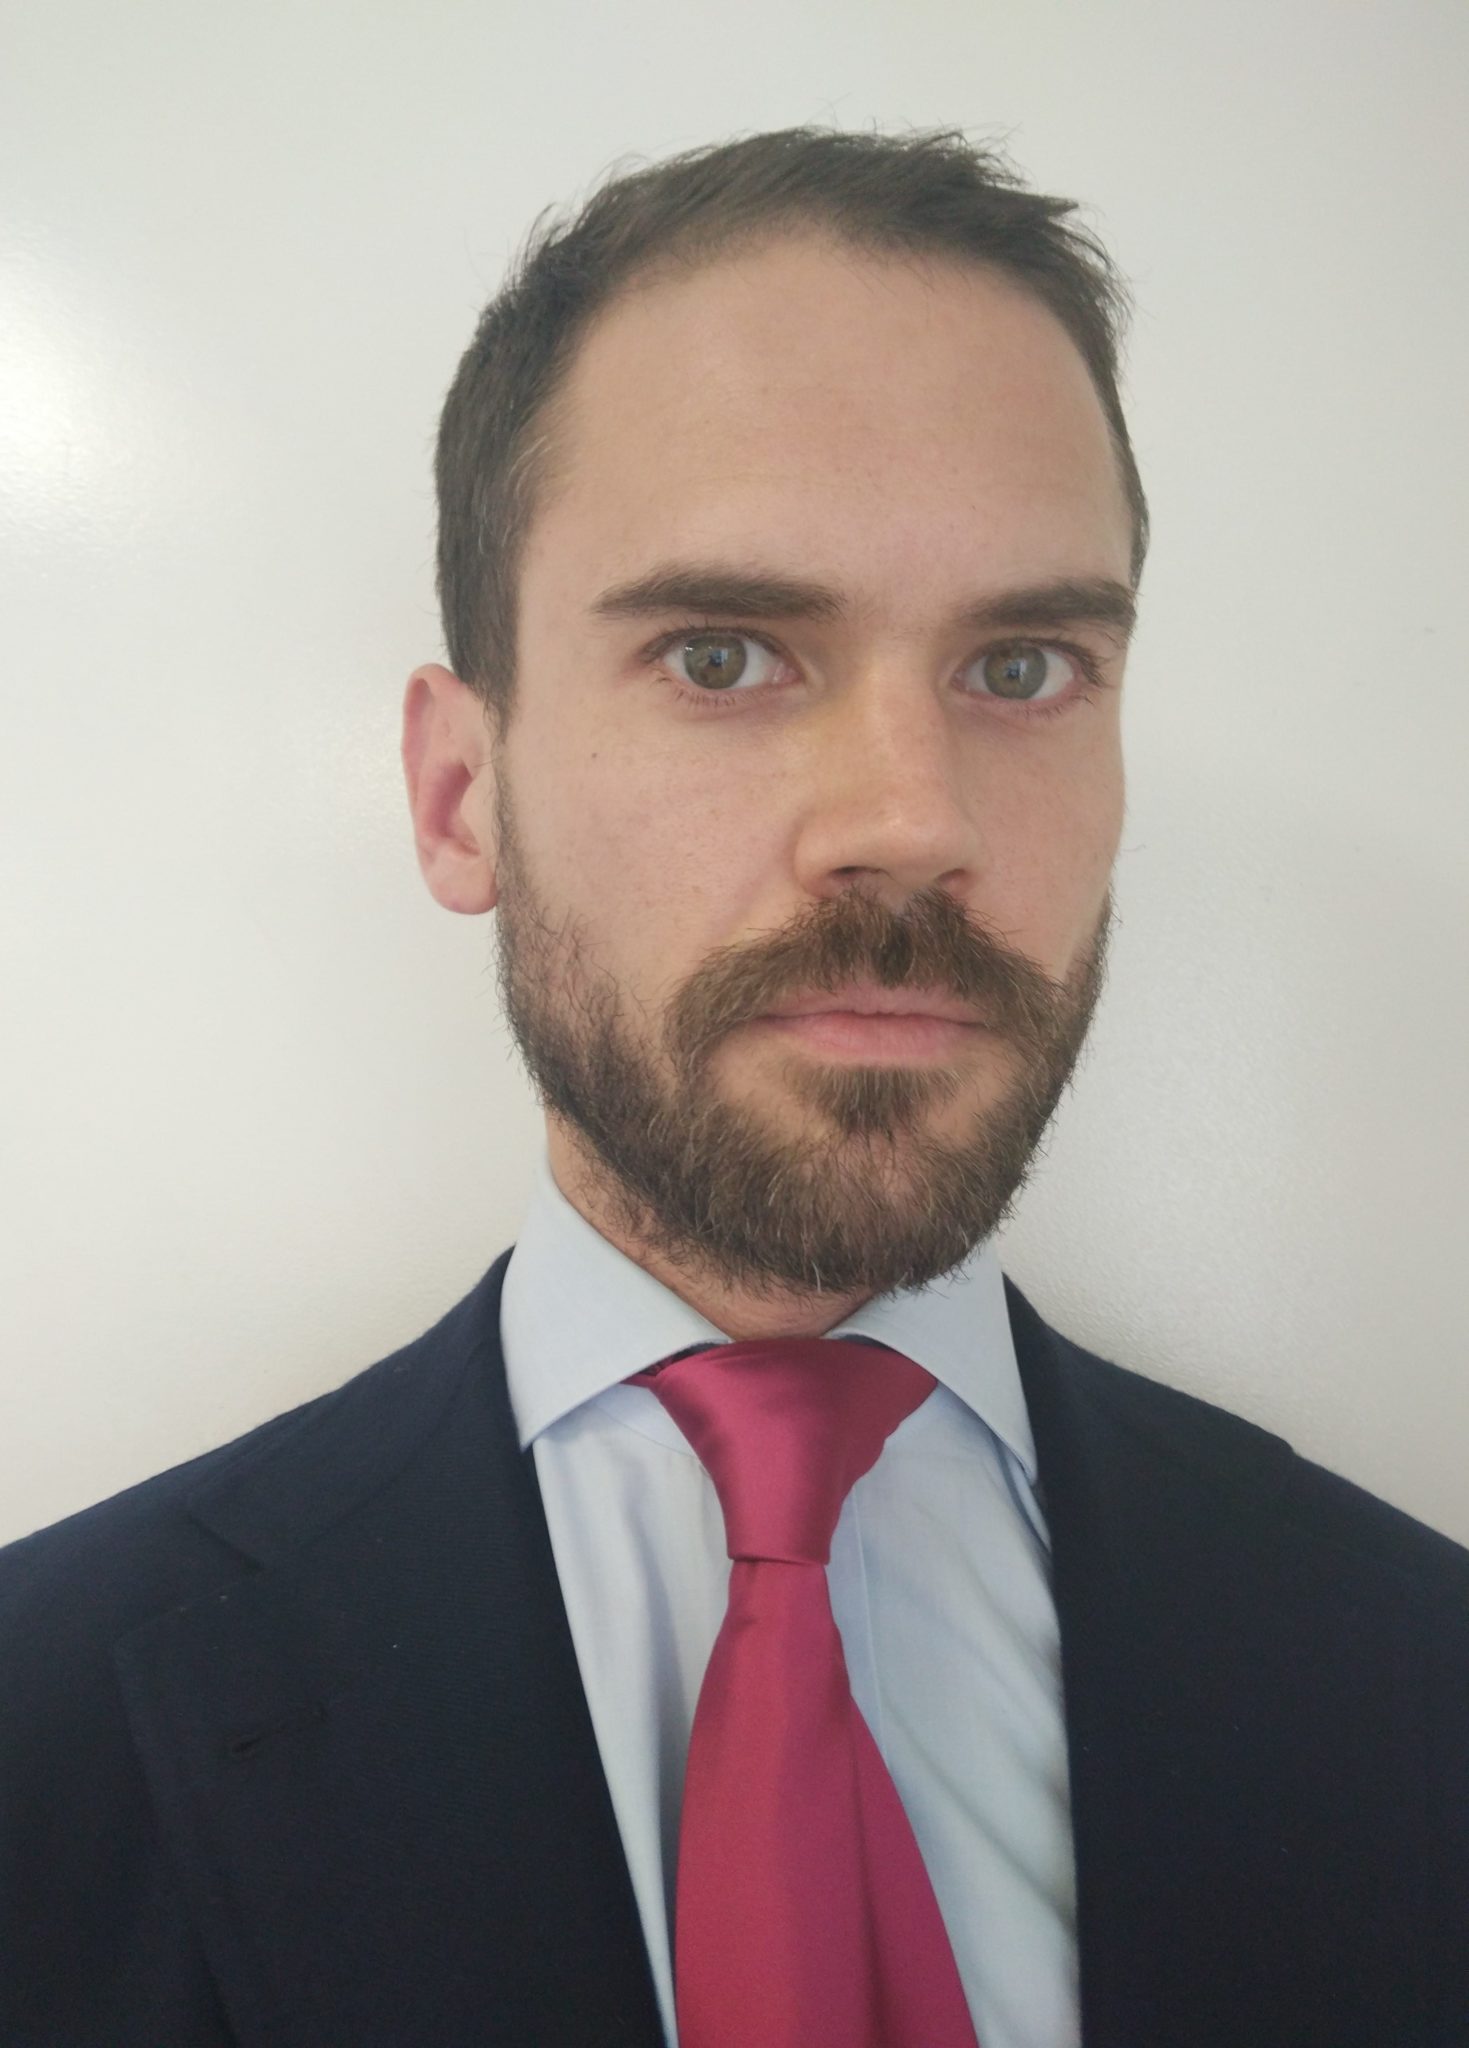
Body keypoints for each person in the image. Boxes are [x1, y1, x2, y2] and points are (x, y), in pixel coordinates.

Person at [2, 126, 1465, 2048]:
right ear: (460, 797)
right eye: (721, 654)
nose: (913, 822)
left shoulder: (1415, 1667)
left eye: (1023, 667)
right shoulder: (46, 1728)